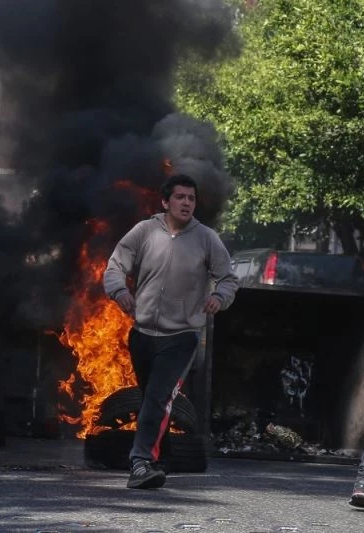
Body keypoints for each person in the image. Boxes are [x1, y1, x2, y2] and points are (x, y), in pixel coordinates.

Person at [103, 174, 239, 490]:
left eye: (191, 198)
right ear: (165, 202)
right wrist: (119, 292)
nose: (186, 203)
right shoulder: (144, 232)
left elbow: (228, 278)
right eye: (180, 197)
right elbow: (115, 266)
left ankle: (139, 463)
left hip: (182, 335)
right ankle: (159, 459)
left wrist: (220, 297)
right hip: (142, 333)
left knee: (157, 397)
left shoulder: (206, 238)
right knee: (152, 397)